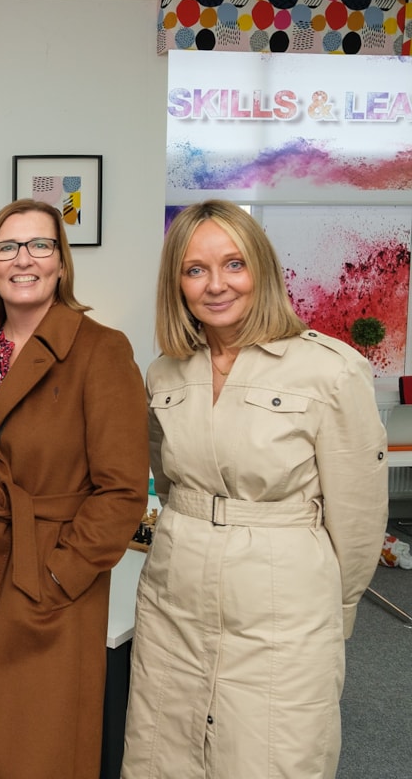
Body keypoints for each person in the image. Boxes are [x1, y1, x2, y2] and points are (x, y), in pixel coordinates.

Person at [121, 200, 389, 778]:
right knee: (166, 754)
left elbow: (360, 515)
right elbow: (168, 482)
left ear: (262, 269)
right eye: (195, 270)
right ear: (177, 284)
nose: (216, 285)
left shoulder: (329, 370)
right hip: (176, 596)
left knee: (271, 758)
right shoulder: (165, 371)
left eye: (233, 264)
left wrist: (334, 615)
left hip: (284, 606)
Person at [0, 198, 149, 779]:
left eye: (41, 245)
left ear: (62, 264)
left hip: (50, 572)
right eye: (7, 247)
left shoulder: (101, 348)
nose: (24, 259)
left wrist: (61, 574)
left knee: (34, 742)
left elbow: (121, 491)